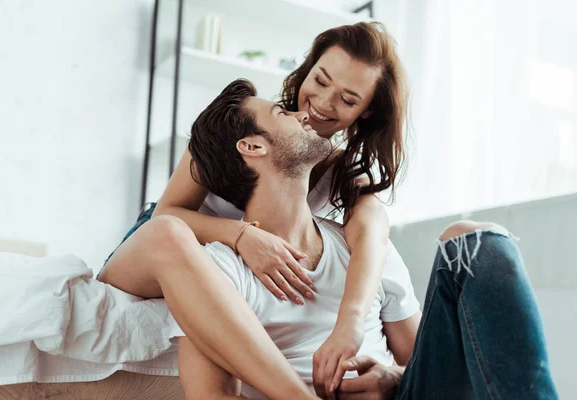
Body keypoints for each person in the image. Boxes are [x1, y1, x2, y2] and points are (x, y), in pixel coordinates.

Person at [179, 80, 559, 399]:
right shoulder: (217, 268)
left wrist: (393, 378)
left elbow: (418, 357)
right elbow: (212, 396)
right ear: (252, 147)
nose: (304, 114)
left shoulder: (360, 246)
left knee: (475, 241)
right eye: (283, 114)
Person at [99, 21, 407, 398]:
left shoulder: (336, 168)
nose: (323, 104)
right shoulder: (238, 129)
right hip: (178, 238)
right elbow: (169, 215)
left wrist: (350, 324)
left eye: (347, 99)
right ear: (306, 70)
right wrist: (242, 235)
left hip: (226, 269)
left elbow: (373, 230)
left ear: (365, 112)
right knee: (172, 237)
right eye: (321, 81)